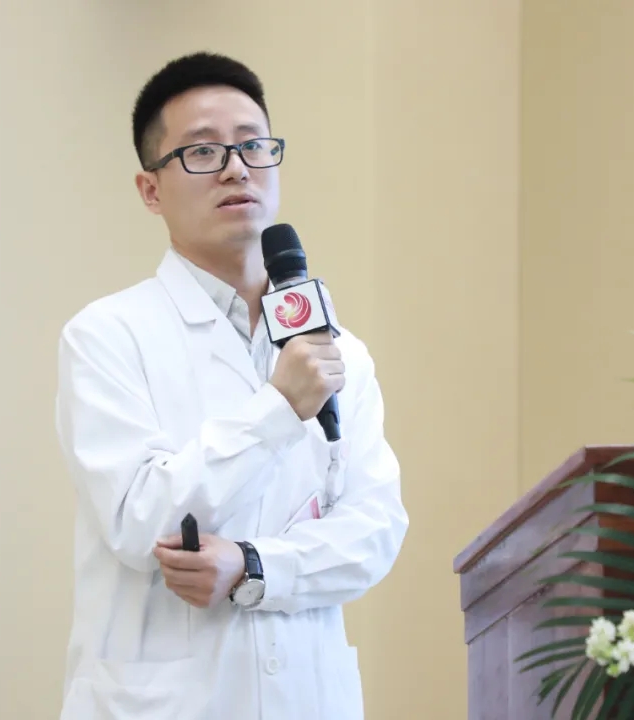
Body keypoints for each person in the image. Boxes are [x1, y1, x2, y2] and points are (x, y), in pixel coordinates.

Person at [54, 51, 409, 720]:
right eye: (201, 152)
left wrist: (253, 566)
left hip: (308, 698)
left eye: (253, 145)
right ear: (150, 190)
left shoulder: (338, 351)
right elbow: (142, 520)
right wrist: (279, 409)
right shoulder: (106, 336)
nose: (237, 167)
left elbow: (374, 530)